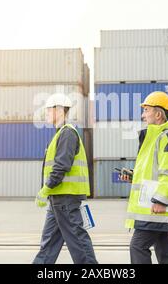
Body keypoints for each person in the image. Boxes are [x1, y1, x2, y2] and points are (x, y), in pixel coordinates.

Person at [120, 91, 168, 264]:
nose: (143, 115)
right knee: (165, 252)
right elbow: (154, 172)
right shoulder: (151, 139)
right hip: (152, 207)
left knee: (138, 246)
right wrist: (133, 177)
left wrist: (161, 200)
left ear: (158, 114)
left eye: (147, 110)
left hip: (155, 207)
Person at [33, 93, 98, 264]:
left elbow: (62, 166)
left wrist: (46, 188)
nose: (46, 113)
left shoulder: (67, 133)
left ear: (60, 110)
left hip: (66, 198)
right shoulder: (60, 134)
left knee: (78, 241)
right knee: (48, 244)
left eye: (49, 110)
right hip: (58, 198)